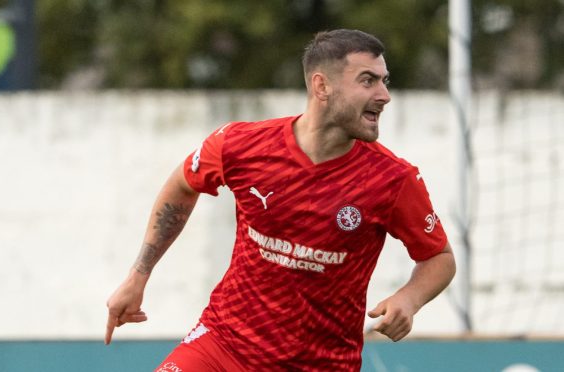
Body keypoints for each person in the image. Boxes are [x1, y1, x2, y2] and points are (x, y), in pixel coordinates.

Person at [105, 29, 456, 371]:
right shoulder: (241, 145)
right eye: (368, 81)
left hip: (321, 364)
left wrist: (409, 300)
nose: (384, 95)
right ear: (322, 86)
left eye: (385, 81)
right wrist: (138, 275)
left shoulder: (393, 179)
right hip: (223, 346)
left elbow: (439, 257)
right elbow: (182, 185)